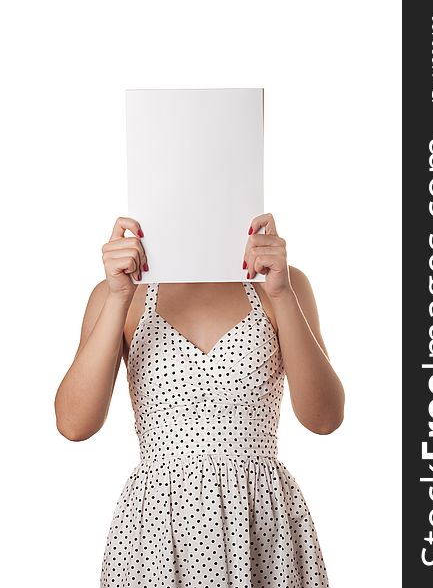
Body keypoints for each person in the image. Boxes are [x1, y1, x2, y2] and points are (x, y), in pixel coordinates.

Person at [54, 212, 345, 587]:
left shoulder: (281, 285)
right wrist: (117, 297)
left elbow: (324, 418)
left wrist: (282, 293)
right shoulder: (119, 293)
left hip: (261, 524)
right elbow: (74, 425)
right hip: (158, 530)